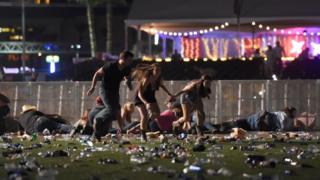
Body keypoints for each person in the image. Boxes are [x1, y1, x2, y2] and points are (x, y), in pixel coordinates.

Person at [87, 51, 134, 141]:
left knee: (117, 110)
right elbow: (97, 74)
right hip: (105, 90)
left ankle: (121, 130)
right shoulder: (110, 66)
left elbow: (127, 78)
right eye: (129, 60)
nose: (130, 62)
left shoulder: (126, 69)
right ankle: (97, 118)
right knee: (111, 109)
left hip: (115, 92)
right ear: (123, 59)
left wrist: (128, 83)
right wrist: (92, 87)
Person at [132, 63, 173, 141]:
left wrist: (170, 94)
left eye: (159, 70)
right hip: (140, 98)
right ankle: (143, 135)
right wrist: (146, 103)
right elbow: (140, 93)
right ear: (152, 71)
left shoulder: (158, 79)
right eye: (156, 70)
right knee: (144, 116)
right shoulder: (147, 79)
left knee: (157, 114)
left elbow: (162, 86)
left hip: (151, 97)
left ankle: (146, 124)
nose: (158, 72)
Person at [215, 107, 298, 132]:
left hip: (254, 121)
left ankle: (220, 127)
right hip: (256, 122)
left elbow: (283, 128)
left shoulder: (283, 115)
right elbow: (283, 128)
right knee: (237, 125)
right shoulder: (284, 116)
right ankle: (220, 127)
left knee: (236, 124)